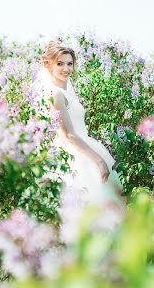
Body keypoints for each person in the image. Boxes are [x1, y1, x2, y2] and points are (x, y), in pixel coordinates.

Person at [34, 39, 123, 207]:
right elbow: (68, 134)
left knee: (105, 205)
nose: (66, 69)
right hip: (73, 156)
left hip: (85, 147)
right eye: (60, 64)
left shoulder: (67, 92)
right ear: (49, 65)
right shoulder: (55, 94)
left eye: (70, 63)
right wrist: (99, 161)